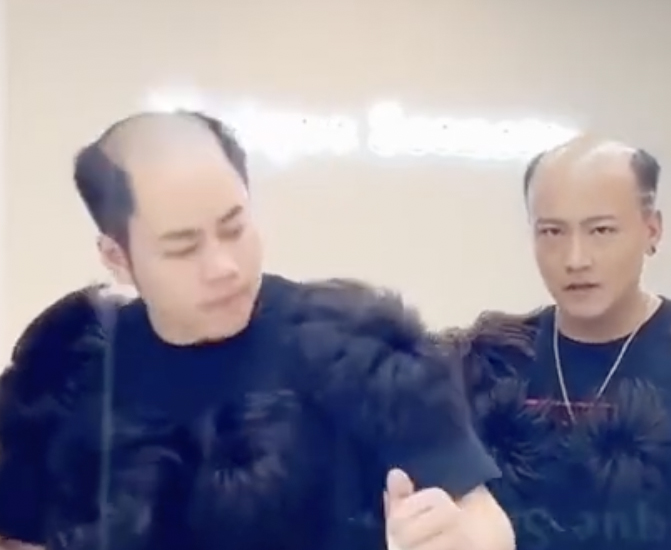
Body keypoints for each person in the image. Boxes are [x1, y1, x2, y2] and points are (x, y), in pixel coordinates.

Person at [0, 111, 514, 550]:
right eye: (182, 248)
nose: (223, 266)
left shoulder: (363, 349)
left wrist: (458, 540)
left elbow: (483, 521)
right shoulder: (70, 373)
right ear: (117, 257)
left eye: (234, 227)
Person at [441, 135, 671, 550]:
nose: (575, 259)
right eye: (552, 231)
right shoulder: (492, 361)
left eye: (602, 230)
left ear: (652, 229)